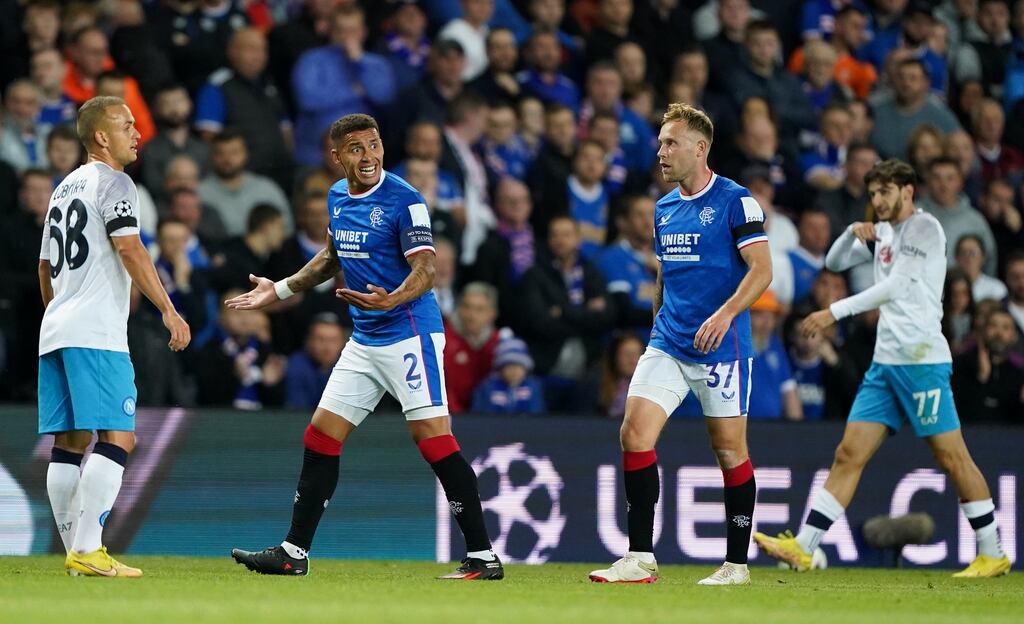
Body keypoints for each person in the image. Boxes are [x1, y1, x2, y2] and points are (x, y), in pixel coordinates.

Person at [226, 113, 502, 580]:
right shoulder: (337, 196)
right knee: (320, 436)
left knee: (433, 440)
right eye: (357, 149)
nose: (369, 156)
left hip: (410, 332)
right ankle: (294, 553)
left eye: (374, 145)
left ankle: (482, 556)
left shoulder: (405, 200)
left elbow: (427, 269)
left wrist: (392, 298)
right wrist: (283, 289)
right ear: (337, 157)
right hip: (366, 338)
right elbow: (333, 256)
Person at [754, 159, 1011, 578]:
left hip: (922, 362)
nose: (877, 201)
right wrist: (850, 232)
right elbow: (835, 263)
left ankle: (992, 551)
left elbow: (898, 286)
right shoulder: (885, 230)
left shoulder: (925, 229)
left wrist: (833, 312)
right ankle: (804, 546)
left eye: (884, 192)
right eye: (873, 194)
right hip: (885, 365)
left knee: (952, 457)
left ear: (908, 191)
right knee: (848, 453)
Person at [589, 103, 772, 586]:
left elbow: (762, 270)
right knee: (634, 433)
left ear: (700, 148)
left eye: (671, 143)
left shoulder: (737, 201)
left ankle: (736, 565)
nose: (661, 151)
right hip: (669, 342)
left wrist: (727, 313)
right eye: (660, 142)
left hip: (724, 348)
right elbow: (664, 276)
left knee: (729, 451)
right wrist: (656, 327)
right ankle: (639, 557)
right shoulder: (664, 207)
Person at [37, 96, 191, 577]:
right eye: (126, 125)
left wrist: (60, 310)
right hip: (96, 332)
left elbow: (44, 267)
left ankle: (74, 552)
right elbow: (129, 246)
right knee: (118, 438)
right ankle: (87, 550)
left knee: (70, 441)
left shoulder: (63, 189)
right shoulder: (116, 182)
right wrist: (168, 308)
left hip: (58, 328)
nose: (136, 133)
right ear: (101, 137)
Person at [470, 335, 546, 414]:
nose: (514, 371)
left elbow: (537, 414)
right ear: (501, 369)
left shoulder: (533, 386)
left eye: (518, 366)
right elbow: (479, 416)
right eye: (509, 366)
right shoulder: (487, 387)